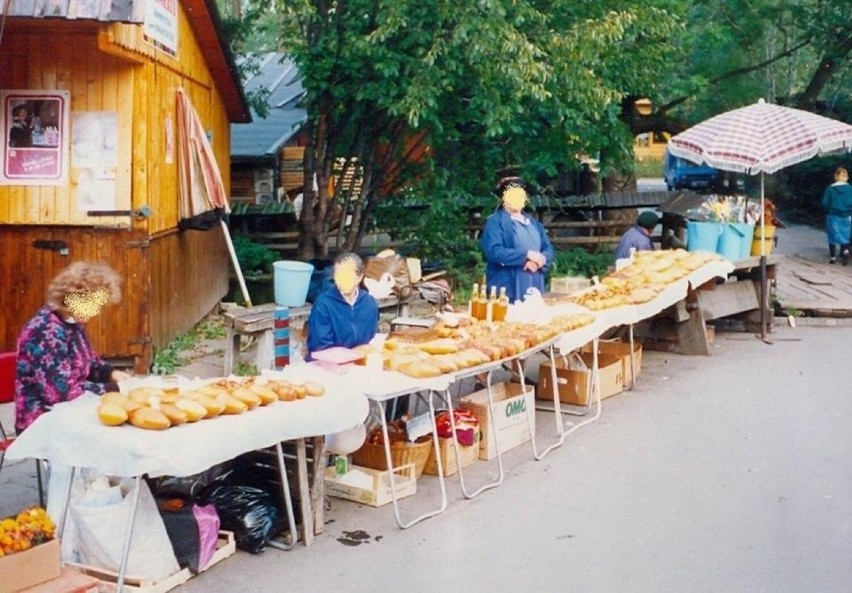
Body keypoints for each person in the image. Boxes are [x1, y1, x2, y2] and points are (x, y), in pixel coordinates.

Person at [15, 261, 130, 433]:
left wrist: (111, 373)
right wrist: (112, 389)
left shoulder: (72, 322)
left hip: (70, 410)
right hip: (41, 419)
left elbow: (90, 361)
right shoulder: (45, 331)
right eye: (94, 304)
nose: (97, 311)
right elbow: (60, 394)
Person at [480, 177, 555, 303]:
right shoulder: (495, 222)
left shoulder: (535, 224)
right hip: (508, 287)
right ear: (504, 198)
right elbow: (494, 251)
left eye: (520, 194)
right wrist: (527, 255)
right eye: (512, 194)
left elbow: (548, 249)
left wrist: (538, 262)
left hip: (535, 284)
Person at [305, 252, 379, 359]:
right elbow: (320, 346)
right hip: (326, 365)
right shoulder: (324, 303)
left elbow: (372, 339)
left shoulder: (370, 303)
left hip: (359, 363)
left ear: (360, 276)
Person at [820, 166, 852, 265]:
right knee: (846, 235)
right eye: (845, 176)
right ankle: (846, 251)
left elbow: (824, 202)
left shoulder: (830, 189)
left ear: (836, 176)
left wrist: (829, 208)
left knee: (832, 235)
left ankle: (833, 257)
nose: (845, 177)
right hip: (847, 216)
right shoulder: (850, 188)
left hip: (833, 215)